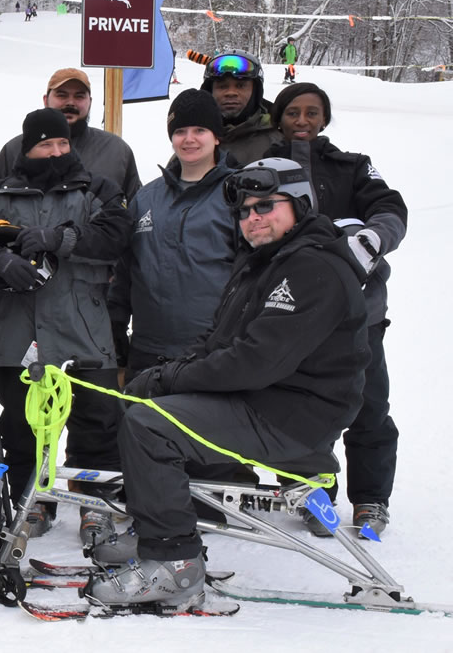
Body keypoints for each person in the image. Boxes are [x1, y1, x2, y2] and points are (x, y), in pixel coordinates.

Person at [88, 159, 369, 610]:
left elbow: (255, 361)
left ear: (299, 205)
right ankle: (154, 529)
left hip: (291, 414)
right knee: (142, 403)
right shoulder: (265, 262)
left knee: (150, 425)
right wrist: (164, 374)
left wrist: (169, 377)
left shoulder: (310, 268)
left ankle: (173, 564)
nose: (252, 218)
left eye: (265, 207)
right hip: (267, 400)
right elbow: (220, 340)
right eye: (244, 212)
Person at [0, 108, 128, 540]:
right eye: (45, 144)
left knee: (97, 423)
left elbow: (117, 234)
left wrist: (60, 239)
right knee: (21, 426)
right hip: (15, 333)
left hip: (86, 330)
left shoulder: (99, 189)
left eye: (62, 143)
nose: (55, 152)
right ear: (26, 148)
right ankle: (33, 501)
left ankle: (95, 505)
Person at [267, 82, 407, 536]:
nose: (302, 121)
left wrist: (373, 237)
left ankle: (370, 499)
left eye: (312, 113)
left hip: (358, 315)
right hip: (293, 318)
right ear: (279, 119)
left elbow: (390, 207)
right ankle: (311, 491)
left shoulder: (353, 167)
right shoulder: (263, 169)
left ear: (324, 119)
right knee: (299, 408)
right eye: (293, 113)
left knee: (369, 407)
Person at [110, 89, 239, 373]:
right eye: (180, 130)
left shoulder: (238, 195)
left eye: (200, 129)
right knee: (138, 418)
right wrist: (116, 324)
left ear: (216, 136)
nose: (189, 139)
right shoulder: (147, 197)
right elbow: (125, 270)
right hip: (147, 351)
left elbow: (254, 274)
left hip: (212, 351)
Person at [0, 67, 141, 201]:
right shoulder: (16, 150)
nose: (70, 103)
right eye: (62, 95)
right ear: (45, 100)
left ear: (90, 102)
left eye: (79, 96)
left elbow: (137, 211)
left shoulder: (117, 150)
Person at [200, 51, 282, 167]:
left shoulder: (278, 143)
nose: (230, 93)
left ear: (255, 92)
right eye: (222, 86)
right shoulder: (193, 138)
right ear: (210, 91)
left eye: (240, 86)